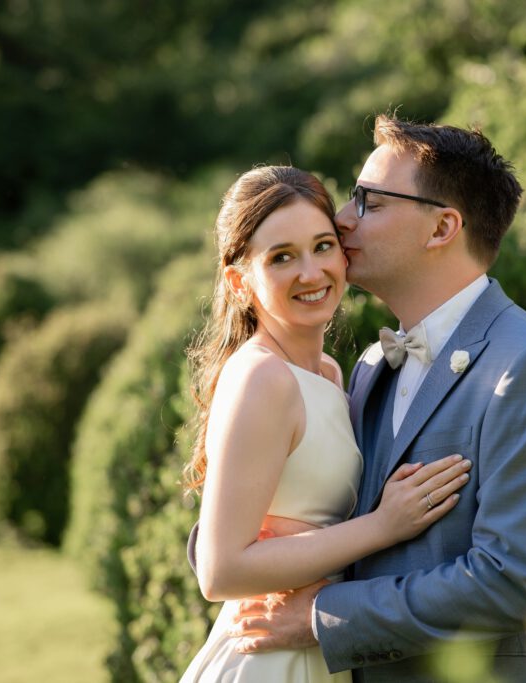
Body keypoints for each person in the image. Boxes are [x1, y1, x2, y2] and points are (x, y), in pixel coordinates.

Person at [226, 116, 526, 682]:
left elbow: (518, 579)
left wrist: (327, 618)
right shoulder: (372, 366)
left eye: (369, 202)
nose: (343, 220)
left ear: (442, 227)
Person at [179, 166, 473, 683]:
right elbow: (220, 569)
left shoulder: (335, 373)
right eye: (281, 258)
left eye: (322, 246)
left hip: (320, 647)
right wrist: (382, 526)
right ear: (238, 280)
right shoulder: (262, 378)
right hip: (269, 659)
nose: (311, 273)